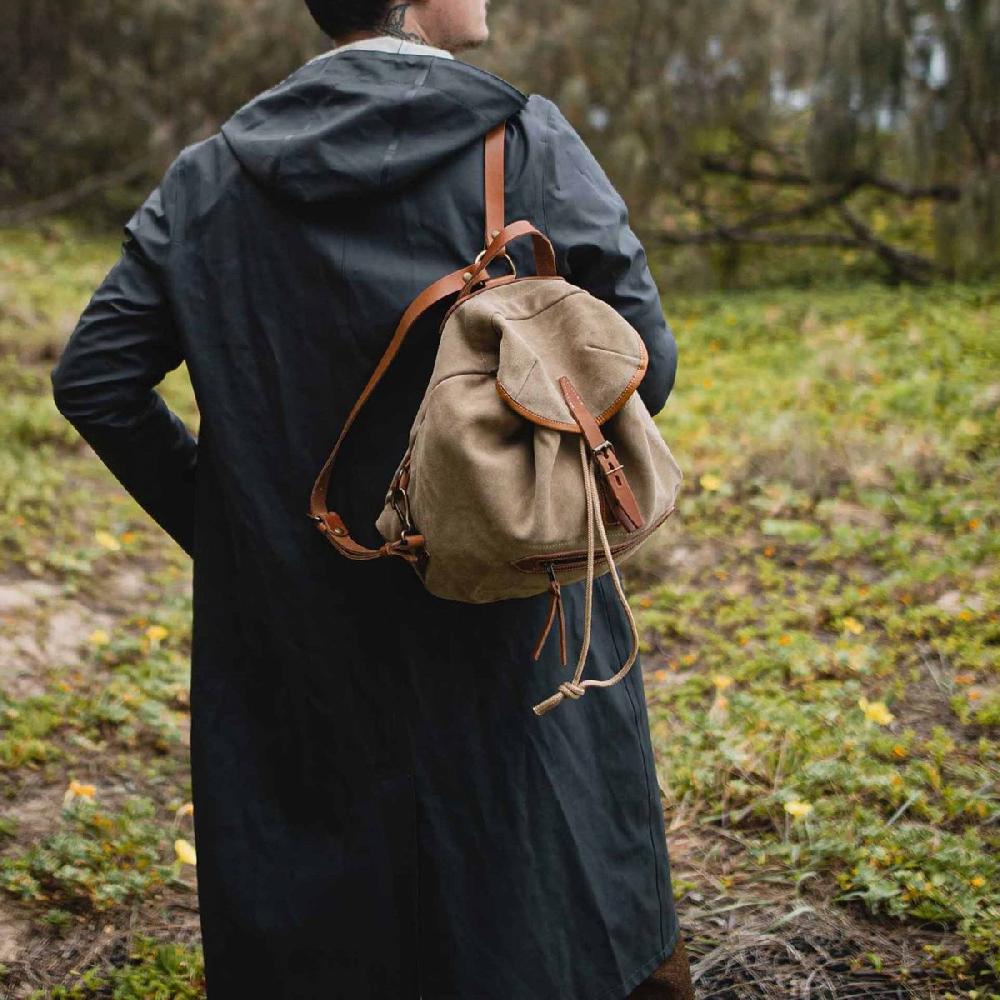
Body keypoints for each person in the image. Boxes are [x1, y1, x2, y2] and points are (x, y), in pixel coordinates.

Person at [50, 1, 695, 997]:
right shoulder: (522, 140)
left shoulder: (210, 175)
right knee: (529, 887)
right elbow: (639, 366)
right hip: (504, 605)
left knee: (324, 905)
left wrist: (239, 534)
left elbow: (96, 377)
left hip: (294, 628)